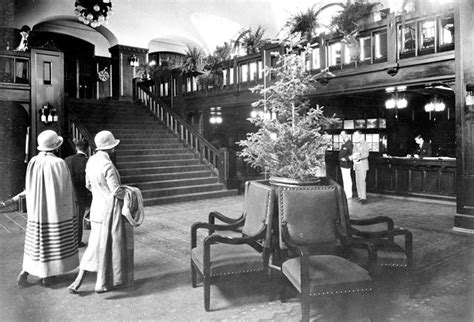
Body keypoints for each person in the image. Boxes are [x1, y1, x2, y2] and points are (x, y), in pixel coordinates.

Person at [17, 130, 79, 287]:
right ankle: (47, 275)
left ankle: (26, 272)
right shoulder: (58, 163)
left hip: (37, 209)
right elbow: (64, 189)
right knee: (52, 238)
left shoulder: (33, 161)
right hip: (52, 208)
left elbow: (30, 186)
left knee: (36, 240)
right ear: (55, 146)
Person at [68, 130, 121, 294]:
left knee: (95, 245)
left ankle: (80, 281)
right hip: (109, 210)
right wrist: (131, 193)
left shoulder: (91, 161)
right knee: (103, 247)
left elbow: (88, 185)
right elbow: (116, 191)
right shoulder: (108, 165)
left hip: (96, 208)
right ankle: (100, 283)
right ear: (111, 148)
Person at [65, 139, 91, 248]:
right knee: (79, 218)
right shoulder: (88, 161)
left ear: (76, 148)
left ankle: (66, 240)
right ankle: (77, 242)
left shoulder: (67, 160)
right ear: (87, 148)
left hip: (67, 193)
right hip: (81, 194)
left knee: (68, 217)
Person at [350, 130, 369, 204]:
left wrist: (358, 157)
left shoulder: (365, 143)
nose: (354, 137)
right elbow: (353, 153)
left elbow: (366, 154)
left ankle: (363, 198)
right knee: (357, 181)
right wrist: (352, 157)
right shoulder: (355, 144)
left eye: (355, 135)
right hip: (356, 165)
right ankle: (360, 196)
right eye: (354, 135)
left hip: (363, 165)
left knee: (362, 181)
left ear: (360, 135)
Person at [338, 130, 353, 199]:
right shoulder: (344, 143)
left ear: (347, 135)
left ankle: (349, 194)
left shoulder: (349, 143)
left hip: (347, 164)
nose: (342, 136)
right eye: (341, 135)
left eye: (343, 135)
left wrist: (346, 159)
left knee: (347, 179)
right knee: (345, 179)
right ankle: (346, 193)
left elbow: (352, 154)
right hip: (342, 164)